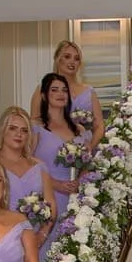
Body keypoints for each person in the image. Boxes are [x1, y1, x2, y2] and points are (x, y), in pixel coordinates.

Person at [0, 106, 57, 248]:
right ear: (3, 131)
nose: (18, 134)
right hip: (2, 242)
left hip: (37, 242)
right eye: (13, 128)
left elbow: (52, 206)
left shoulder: (39, 166)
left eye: (24, 130)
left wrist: (41, 236)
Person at [31, 72, 92, 220]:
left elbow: (87, 164)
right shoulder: (36, 127)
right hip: (47, 195)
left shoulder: (80, 130)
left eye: (64, 90)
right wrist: (56, 184)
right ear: (44, 96)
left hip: (75, 198)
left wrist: (79, 182)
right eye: (54, 89)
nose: (61, 93)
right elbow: (27, 163)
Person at [29, 39, 106, 146]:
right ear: (57, 59)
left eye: (76, 58)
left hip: (82, 149)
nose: (72, 62)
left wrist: (90, 147)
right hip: (52, 146)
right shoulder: (43, 88)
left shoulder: (89, 92)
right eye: (67, 57)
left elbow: (99, 125)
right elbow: (34, 122)